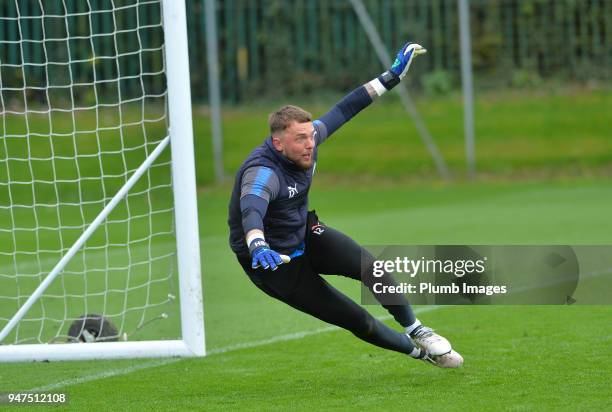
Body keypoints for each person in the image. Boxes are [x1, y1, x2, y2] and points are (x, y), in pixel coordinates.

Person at [228, 42, 462, 368]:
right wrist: (257, 244)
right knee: (358, 320)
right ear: (278, 143)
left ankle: (418, 329)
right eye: (301, 139)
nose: (310, 144)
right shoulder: (264, 172)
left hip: (303, 232)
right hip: (273, 263)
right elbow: (251, 206)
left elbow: (346, 108)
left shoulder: (309, 141)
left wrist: (391, 77)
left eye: (311, 136)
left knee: (370, 265)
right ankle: (420, 354)